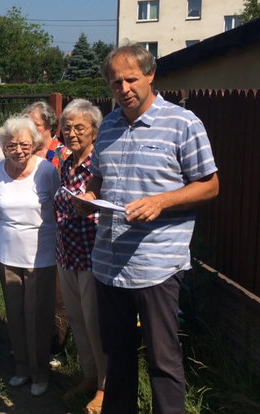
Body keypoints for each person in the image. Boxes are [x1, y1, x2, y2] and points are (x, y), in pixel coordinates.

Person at [76, 45, 219, 413]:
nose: (123, 88)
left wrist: (161, 201)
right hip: (109, 264)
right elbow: (99, 176)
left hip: (156, 264)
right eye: (115, 82)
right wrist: (90, 193)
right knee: (118, 357)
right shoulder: (107, 125)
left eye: (131, 79)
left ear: (150, 75)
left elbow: (209, 185)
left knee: (162, 359)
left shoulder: (183, 123)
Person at [0, 115, 60, 397]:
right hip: (7, 253)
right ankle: (21, 368)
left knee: (38, 315)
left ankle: (40, 371)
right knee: (15, 315)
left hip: (41, 253)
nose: (18, 150)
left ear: (34, 143)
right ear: (3, 146)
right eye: (12, 144)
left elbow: (59, 207)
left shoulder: (45, 170)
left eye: (24, 144)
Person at [53, 99, 106, 413]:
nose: (72, 133)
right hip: (66, 254)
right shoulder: (65, 162)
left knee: (95, 322)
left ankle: (104, 386)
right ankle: (88, 376)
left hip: (92, 255)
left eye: (79, 127)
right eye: (68, 127)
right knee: (77, 320)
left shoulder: (99, 164)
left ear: (94, 131)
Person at [20, 100, 71, 367]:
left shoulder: (62, 155)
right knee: (32, 293)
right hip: (29, 237)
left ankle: (56, 347)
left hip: (60, 235)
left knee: (56, 294)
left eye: (35, 125)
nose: (29, 129)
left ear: (49, 126)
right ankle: (31, 342)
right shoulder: (23, 157)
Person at [22, 100, 70, 169]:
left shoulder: (63, 154)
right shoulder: (25, 152)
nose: (31, 129)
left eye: (36, 125)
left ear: (49, 125)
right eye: (28, 125)